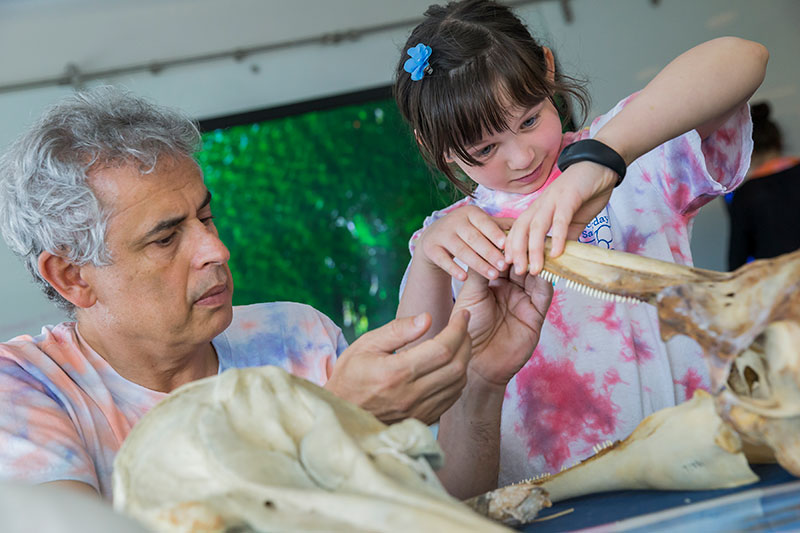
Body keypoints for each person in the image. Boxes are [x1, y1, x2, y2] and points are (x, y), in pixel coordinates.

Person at [0, 86, 553, 500]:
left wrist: (481, 381)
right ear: (72, 277)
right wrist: (330, 420)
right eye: (166, 238)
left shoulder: (298, 335)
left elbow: (442, 503)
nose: (215, 250)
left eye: (206, 216)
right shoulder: (24, 391)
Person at [394, 0, 768, 486]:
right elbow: (410, 389)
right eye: (485, 150)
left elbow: (744, 57)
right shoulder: (454, 240)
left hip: (697, 465)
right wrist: (427, 257)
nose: (522, 155)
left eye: (529, 120)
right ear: (432, 145)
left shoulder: (631, 157)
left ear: (547, 71)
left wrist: (604, 158)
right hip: (549, 493)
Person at [726, 101, 800, 270]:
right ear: (779, 141)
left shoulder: (745, 194)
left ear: (748, 150)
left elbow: (737, 260)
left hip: (778, 284)